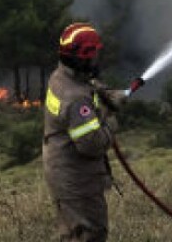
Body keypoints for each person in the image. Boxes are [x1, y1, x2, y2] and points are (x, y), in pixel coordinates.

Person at [43, 21, 124, 242]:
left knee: (73, 233)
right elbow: (91, 143)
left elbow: (86, 86)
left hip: (61, 169)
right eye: (93, 55)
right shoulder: (76, 99)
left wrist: (104, 93)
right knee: (91, 233)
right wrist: (110, 122)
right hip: (77, 180)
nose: (97, 59)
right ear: (82, 59)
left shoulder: (60, 77)